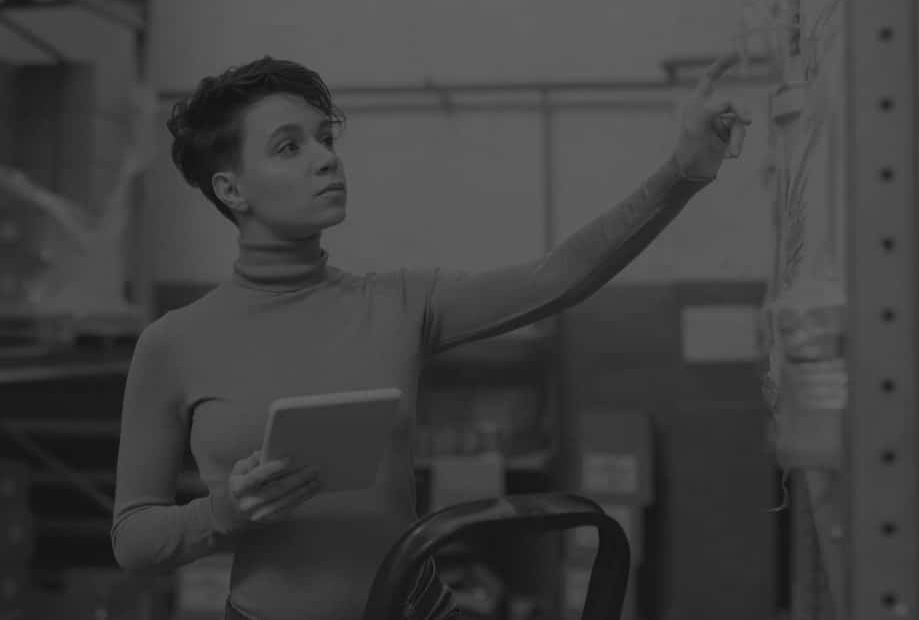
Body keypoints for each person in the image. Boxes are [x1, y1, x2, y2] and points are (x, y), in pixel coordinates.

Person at [110, 53, 750, 620]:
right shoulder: (174, 343)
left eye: (325, 137)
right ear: (231, 189)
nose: (326, 157)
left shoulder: (399, 302)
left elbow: (558, 277)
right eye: (289, 147)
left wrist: (683, 173)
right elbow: (134, 538)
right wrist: (224, 513)